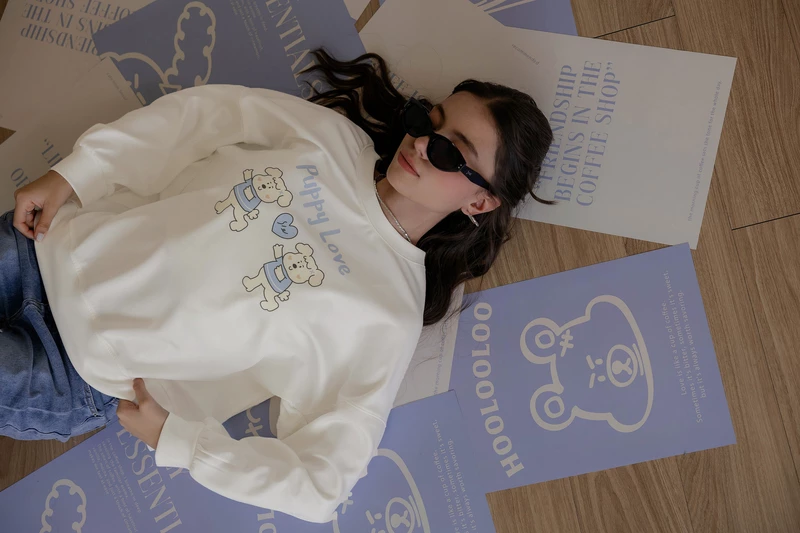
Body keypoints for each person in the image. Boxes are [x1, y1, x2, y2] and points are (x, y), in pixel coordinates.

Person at [2, 51, 552, 522]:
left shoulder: (388, 315)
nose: (423, 143)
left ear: (480, 201)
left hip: (79, 374)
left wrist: (183, 444)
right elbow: (200, 117)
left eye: (452, 153)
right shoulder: (333, 140)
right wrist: (77, 172)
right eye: (427, 120)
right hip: (44, 243)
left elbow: (321, 486)